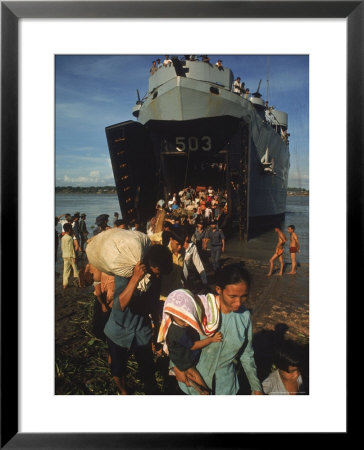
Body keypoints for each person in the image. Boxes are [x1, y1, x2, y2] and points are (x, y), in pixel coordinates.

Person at [172, 264, 263, 395]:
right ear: (219, 289)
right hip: (193, 380)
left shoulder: (244, 317)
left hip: (225, 386)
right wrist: (176, 367)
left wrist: (256, 387)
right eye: (232, 296)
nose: (238, 303)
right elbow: (176, 338)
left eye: (244, 296)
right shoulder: (201, 309)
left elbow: (247, 355)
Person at [103, 244, 173, 395]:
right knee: (118, 369)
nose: (159, 275)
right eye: (158, 271)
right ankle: (124, 392)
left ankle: (151, 391)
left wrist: (157, 331)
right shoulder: (127, 272)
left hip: (141, 330)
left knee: (148, 369)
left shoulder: (156, 277)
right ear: (152, 265)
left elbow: (154, 304)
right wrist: (135, 278)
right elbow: (119, 305)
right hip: (119, 330)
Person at [158, 289, 222, 394]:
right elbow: (193, 346)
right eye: (184, 321)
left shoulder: (174, 324)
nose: (187, 324)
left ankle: (190, 382)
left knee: (188, 373)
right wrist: (211, 339)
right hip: (182, 359)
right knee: (193, 371)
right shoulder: (180, 333)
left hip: (176, 354)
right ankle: (204, 390)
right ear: (173, 314)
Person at [61, 223, 80, 289]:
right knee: (75, 269)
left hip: (65, 256)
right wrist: (74, 257)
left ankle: (65, 284)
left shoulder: (63, 238)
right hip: (70, 256)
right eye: (71, 229)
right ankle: (79, 282)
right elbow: (71, 248)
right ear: (69, 230)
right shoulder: (70, 238)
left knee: (66, 271)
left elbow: (62, 247)